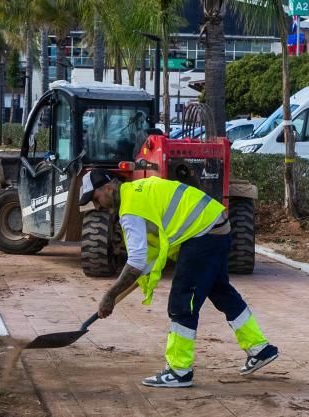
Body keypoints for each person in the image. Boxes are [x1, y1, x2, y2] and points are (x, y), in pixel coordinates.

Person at [82, 159, 278, 388]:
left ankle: (179, 370)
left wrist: (110, 295)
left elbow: (135, 260)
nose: (97, 206)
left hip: (203, 235)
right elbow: (148, 256)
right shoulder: (139, 190)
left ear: (107, 188)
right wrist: (129, 284)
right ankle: (260, 349)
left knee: (182, 302)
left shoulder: (130, 209)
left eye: (95, 199)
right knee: (222, 292)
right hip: (218, 227)